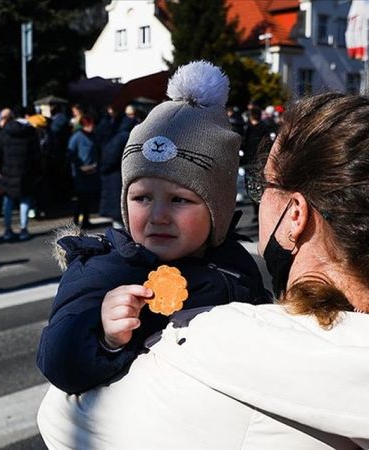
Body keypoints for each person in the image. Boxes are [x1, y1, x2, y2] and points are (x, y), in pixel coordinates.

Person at [37, 92, 369, 449]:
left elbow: (62, 420)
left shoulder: (209, 360)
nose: (158, 215)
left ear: (295, 216)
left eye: (263, 187)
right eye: (142, 197)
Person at [37, 61, 270, 395]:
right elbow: (58, 360)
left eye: (179, 200)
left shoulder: (235, 262)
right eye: (142, 198)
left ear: (217, 208)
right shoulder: (102, 270)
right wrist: (105, 336)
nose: (158, 215)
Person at [0, 107, 41, 241]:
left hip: (7, 171)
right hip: (26, 171)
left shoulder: (3, 133)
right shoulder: (29, 132)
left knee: (8, 201)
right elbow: (36, 154)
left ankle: (7, 230)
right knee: (25, 200)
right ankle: (23, 229)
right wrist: (36, 171)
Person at [98, 113, 138, 229]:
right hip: (123, 180)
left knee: (119, 224)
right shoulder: (130, 136)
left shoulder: (120, 137)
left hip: (116, 182)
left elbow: (107, 160)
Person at [67, 114, 101, 229]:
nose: (92, 127)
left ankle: (85, 220)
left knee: (88, 199)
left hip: (92, 171)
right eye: (89, 125)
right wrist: (79, 167)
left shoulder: (93, 136)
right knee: (81, 199)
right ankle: (76, 222)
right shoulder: (76, 137)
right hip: (80, 173)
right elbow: (71, 155)